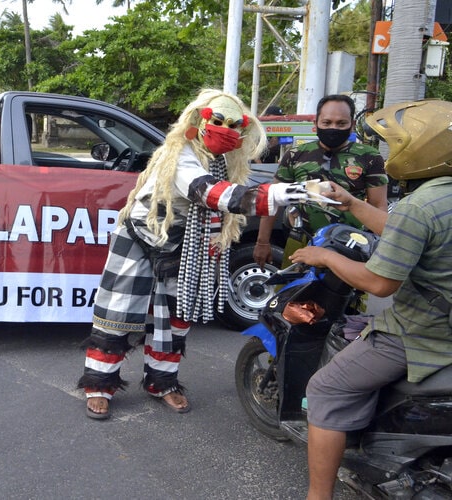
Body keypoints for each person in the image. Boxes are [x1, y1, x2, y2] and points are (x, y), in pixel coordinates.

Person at [77, 89, 316, 420]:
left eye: (234, 125)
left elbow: (221, 203)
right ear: (199, 120)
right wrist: (278, 193)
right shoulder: (179, 156)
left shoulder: (225, 163)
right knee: (116, 315)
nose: (225, 129)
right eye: (218, 121)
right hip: (140, 235)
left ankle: (161, 383)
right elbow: (208, 193)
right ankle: (99, 386)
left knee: (176, 317)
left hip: (183, 244)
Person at [289, 99, 452, 499]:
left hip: (423, 334)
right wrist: (353, 203)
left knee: (326, 388)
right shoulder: (438, 198)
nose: (391, 152)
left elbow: (379, 284)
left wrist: (325, 255)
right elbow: (403, 229)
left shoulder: (420, 204)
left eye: (397, 144)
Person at [253, 94, 389, 269]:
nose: (333, 128)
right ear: (315, 123)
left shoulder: (370, 156)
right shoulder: (296, 155)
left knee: (344, 295)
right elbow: (272, 199)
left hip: (350, 245)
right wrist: (262, 242)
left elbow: (379, 206)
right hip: (301, 242)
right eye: (327, 123)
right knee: (293, 293)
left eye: (341, 123)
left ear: (352, 125)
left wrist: (380, 246)